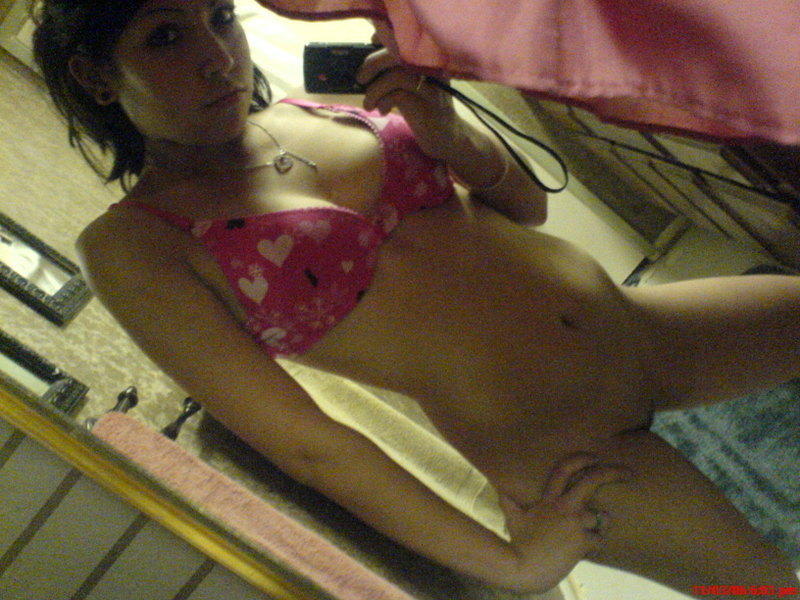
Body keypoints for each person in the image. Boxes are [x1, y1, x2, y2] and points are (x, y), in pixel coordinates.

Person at [31, 0, 800, 597]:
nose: (217, 56)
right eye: (166, 37)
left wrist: (447, 131)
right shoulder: (134, 245)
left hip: (647, 333)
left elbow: (526, 206)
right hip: (565, 450)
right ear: (96, 77)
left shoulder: (306, 107)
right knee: (766, 589)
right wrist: (512, 565)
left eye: (220, 17)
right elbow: (309, 445)